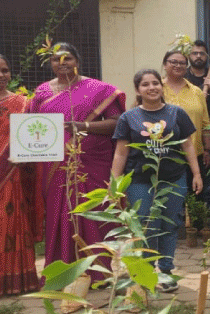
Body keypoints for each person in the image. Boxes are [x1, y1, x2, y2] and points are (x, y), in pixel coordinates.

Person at [28, 42, 125, 280]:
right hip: (55, 166)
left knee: (93, 213)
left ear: (77, 61)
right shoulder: (41, 93)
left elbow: (117, 122)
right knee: (59, 215)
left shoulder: (99, 89)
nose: (62, 64)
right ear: (50, 64)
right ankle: (61, 271)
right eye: (55, 60)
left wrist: (85, 126)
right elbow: (30, 130)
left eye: (67, 58)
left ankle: (98, 272)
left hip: (92, 163)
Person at [111, 69, 203, 293]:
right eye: (145, 84)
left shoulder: (176, 113)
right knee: (146, 225)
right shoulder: (128, 118)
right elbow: (121, 153)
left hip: (173, 178)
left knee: (170, 224)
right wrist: (115, 184)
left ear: (161, 87)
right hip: (140, 181)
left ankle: (166, 269)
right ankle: (147, 269)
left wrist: (197, 173)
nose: (151, 88)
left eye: (155, 83)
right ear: (137, 90)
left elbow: (188, 144)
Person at [0, 54, 41, 295]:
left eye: (5, 70)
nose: (1, 75)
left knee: (8, 224)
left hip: (11, 176)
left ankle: (15, 281)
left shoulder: (22, 103)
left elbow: (33, 138)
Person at [162, 49, 210, 188]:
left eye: (182, 63)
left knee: (194, 197)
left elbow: (205, 123)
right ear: (165, 65)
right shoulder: (156, 89)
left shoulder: (196, 92)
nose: (178, 65)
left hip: (194, 155)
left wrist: (207, 150)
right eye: (173, 62)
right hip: (163, 155)